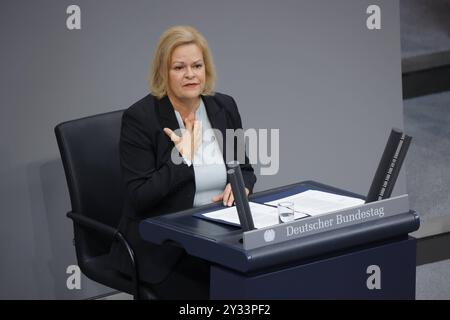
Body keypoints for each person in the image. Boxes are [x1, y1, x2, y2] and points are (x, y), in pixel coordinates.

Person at [109, 25, 257, 299]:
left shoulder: (224, 107)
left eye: (197, 65)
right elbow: (140, 197)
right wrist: (183, 157)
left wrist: (241, 187)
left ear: (206, 69)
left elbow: (244, 169)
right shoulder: (140, 119)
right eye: (179, 67)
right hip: (166, 248)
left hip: (221, 236)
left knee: (263, 281)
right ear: (163, 73)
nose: (190, 74)